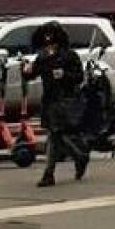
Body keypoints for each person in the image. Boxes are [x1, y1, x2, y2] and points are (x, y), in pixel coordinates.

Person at [24, 21, 89, 187]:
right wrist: (26, 71)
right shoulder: (42, 57)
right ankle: (76, 158)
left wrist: (64, 75)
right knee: (55, 134)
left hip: (65, 100)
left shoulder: (69, 56)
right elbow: (32, 75)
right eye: (47, 44)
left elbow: (79, 77)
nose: (49, 48)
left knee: (56, 135)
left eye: (52, 44)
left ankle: (53, 171)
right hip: (50, 100)